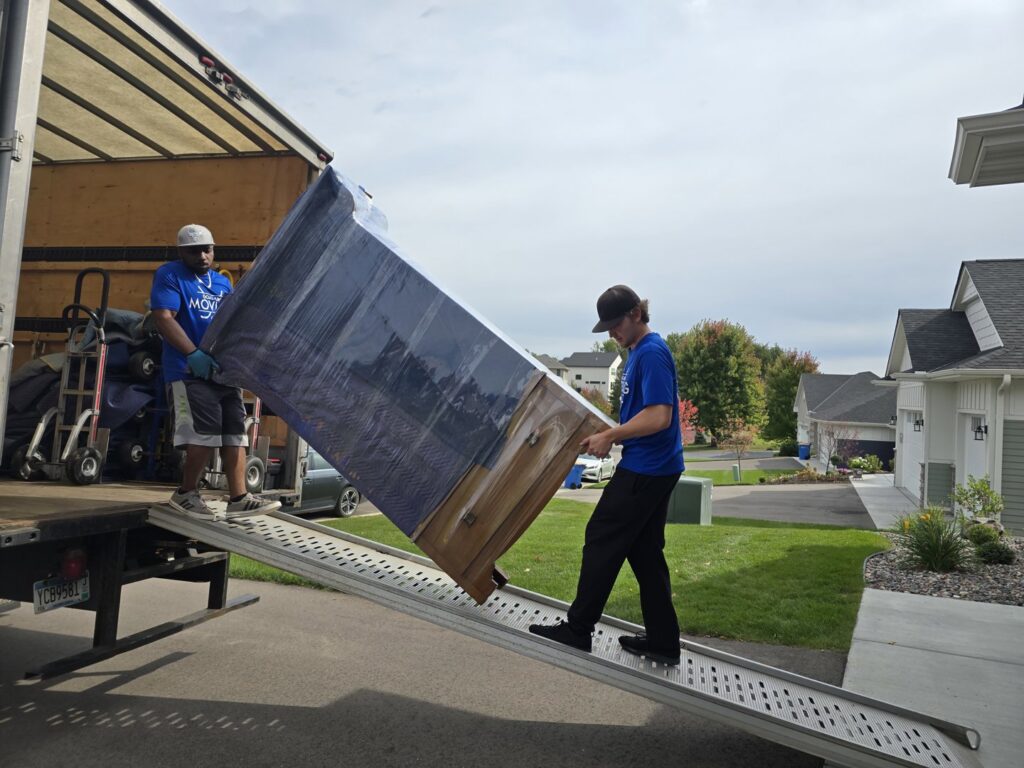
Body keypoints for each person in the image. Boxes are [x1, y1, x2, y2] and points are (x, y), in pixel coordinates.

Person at [530, 285, 684, 665]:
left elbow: (660, 415)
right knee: (645, 554)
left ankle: (578, 630)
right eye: (607, 327)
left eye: (616, 324)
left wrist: (612, 436)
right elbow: (641, 415)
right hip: (656, 466)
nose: (612, 332)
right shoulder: (635, 353)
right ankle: (664, 642)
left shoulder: (651, 353)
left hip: (647, 468)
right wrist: (608, 432)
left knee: (601, 536)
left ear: (636, 313)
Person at [151, 224, 280, 521]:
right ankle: (185, 493)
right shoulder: (170, 275)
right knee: (203, 435)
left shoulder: (221, 284)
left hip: (222, 372)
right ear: (181, 251)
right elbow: (163, 317)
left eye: (207, 249)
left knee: (235, 434)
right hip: (187, 371)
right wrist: (192, 353)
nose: (202, 256)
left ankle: (239, 498)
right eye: (194, 251)